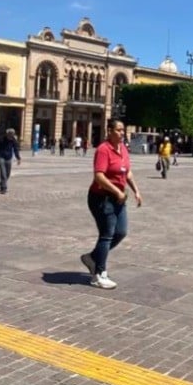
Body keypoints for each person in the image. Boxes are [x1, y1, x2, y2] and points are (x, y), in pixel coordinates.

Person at [80, 119, 142, 289]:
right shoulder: (103, 150)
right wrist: (116, 191)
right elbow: (99, 176)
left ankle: (92, 258)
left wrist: (136, 190)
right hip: (102, 197)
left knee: (121, 232)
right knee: (107, 233)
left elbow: (127, 172)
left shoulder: (123, 149)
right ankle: (99, 273)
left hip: (119, 198)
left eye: (123, 130)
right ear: (110, 131)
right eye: (119, 130)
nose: (123, 133)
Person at [0, 128, 22, 195]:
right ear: (7, 134)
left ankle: (2, 183)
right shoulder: (1, 139)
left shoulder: (13, 140)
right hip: (1, 157)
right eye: (10, 135)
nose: (11, 136)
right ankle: (4, 188)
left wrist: (18, 158)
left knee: (8, 174)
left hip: (9, 158)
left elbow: (16, 149)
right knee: (3, 173)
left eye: (12, 135)